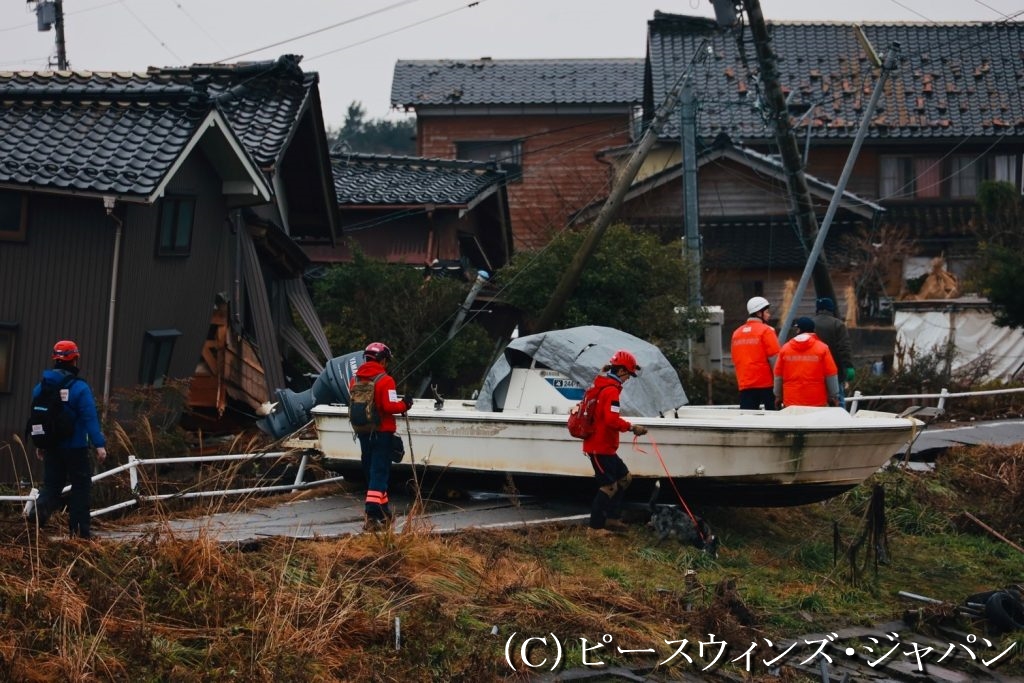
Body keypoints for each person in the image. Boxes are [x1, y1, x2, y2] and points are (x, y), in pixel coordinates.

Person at [28, 340, 107, 538]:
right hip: (76, 447)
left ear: (55, 358)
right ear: (75, 359)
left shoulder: (41, 387)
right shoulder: (80, 388)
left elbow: (38, 416)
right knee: (81, 487)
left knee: (52, 485)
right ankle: (80, 532)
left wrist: (40, 443)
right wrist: (99, 445)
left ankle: (37, 514)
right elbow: (90, 418)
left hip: (52, 447)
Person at [583, 349, 648, 535]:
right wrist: (632, 427)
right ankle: (594, 528)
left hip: (606, 448)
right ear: (620, 371)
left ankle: (611, 518)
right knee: (609, 486)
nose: (628, 379)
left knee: (625, 479)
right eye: (628, 374)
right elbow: (611, 420)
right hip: (599, 447)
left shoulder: (604, 384)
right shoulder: (611, 391)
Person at [350, 342, 412, 531]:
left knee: (371, 471)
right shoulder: (385, 380)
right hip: (382, 432)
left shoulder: (355, 380)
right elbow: (389, 407)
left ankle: (384, 512)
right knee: (380, 472)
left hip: (362, 431)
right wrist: (405, 404)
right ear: (382, 360)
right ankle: (372, 514)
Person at [773, 318, 840, 408]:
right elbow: (831, 374)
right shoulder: (822, 348)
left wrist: (778, 395)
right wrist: (833, 395)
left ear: (799, 330)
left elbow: (778, 375)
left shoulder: (785, 349)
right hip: (817, 402)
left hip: (791, 403)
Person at [731, 296, 781, 410]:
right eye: (767, 312)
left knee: (748, 422)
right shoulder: (766, 331)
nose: (769, 315)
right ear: (759, 313)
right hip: (766, 385)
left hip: (745, 385)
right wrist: (779, 387)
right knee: (774, 420)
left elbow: (735, 359)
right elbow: (775, 360)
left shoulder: (736, 333)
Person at [812, 297, 855, 408]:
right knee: (838, 399)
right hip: (835, 371)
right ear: (831, 309)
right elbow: (844, 348)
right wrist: (848, 367)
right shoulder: (838, 324)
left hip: (813, 371)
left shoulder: (810, 324)